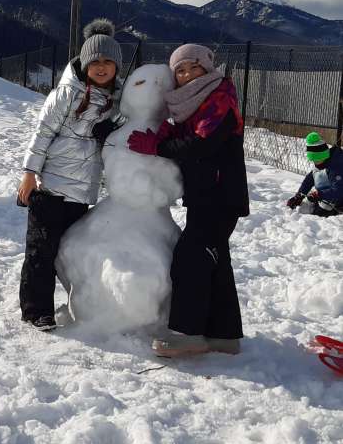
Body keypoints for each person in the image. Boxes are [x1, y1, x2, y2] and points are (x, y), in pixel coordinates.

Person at [128, 44, 249, 357]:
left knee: (190, 259)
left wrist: (158, 147)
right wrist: (162, 137)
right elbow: (185, 136)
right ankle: (224, 334)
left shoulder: (220, 97)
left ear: (206, 67)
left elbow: (200, 144)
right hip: (205, 196)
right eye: (179, 70)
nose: (185, 75)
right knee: (215, 261)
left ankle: (187, 332)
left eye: (191, 67)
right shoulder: (194, 102)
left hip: (219, 197)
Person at [17, 18, 124, 331]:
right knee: (41, 252)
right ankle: (36, 310)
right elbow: (43, 131)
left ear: (117, 66)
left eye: (108, 62)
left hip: (81, 193)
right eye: (95, 61)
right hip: (49, 188)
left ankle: (81, 304)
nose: (102, 67)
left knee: (69, 252)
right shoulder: (66, 93)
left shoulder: (116, 103)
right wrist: (29, 173)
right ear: (84, 63)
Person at [286, 133, 342, 217]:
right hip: (329, 196)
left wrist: (319, 194)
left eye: (317, 159)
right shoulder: (323, 162)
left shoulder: (337, 165)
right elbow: (310, 179)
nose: (315, 162)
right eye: (313, 160)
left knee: (317, 216)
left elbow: (340, 190)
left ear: (324, 155)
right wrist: (299, 195)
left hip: (339, 198)